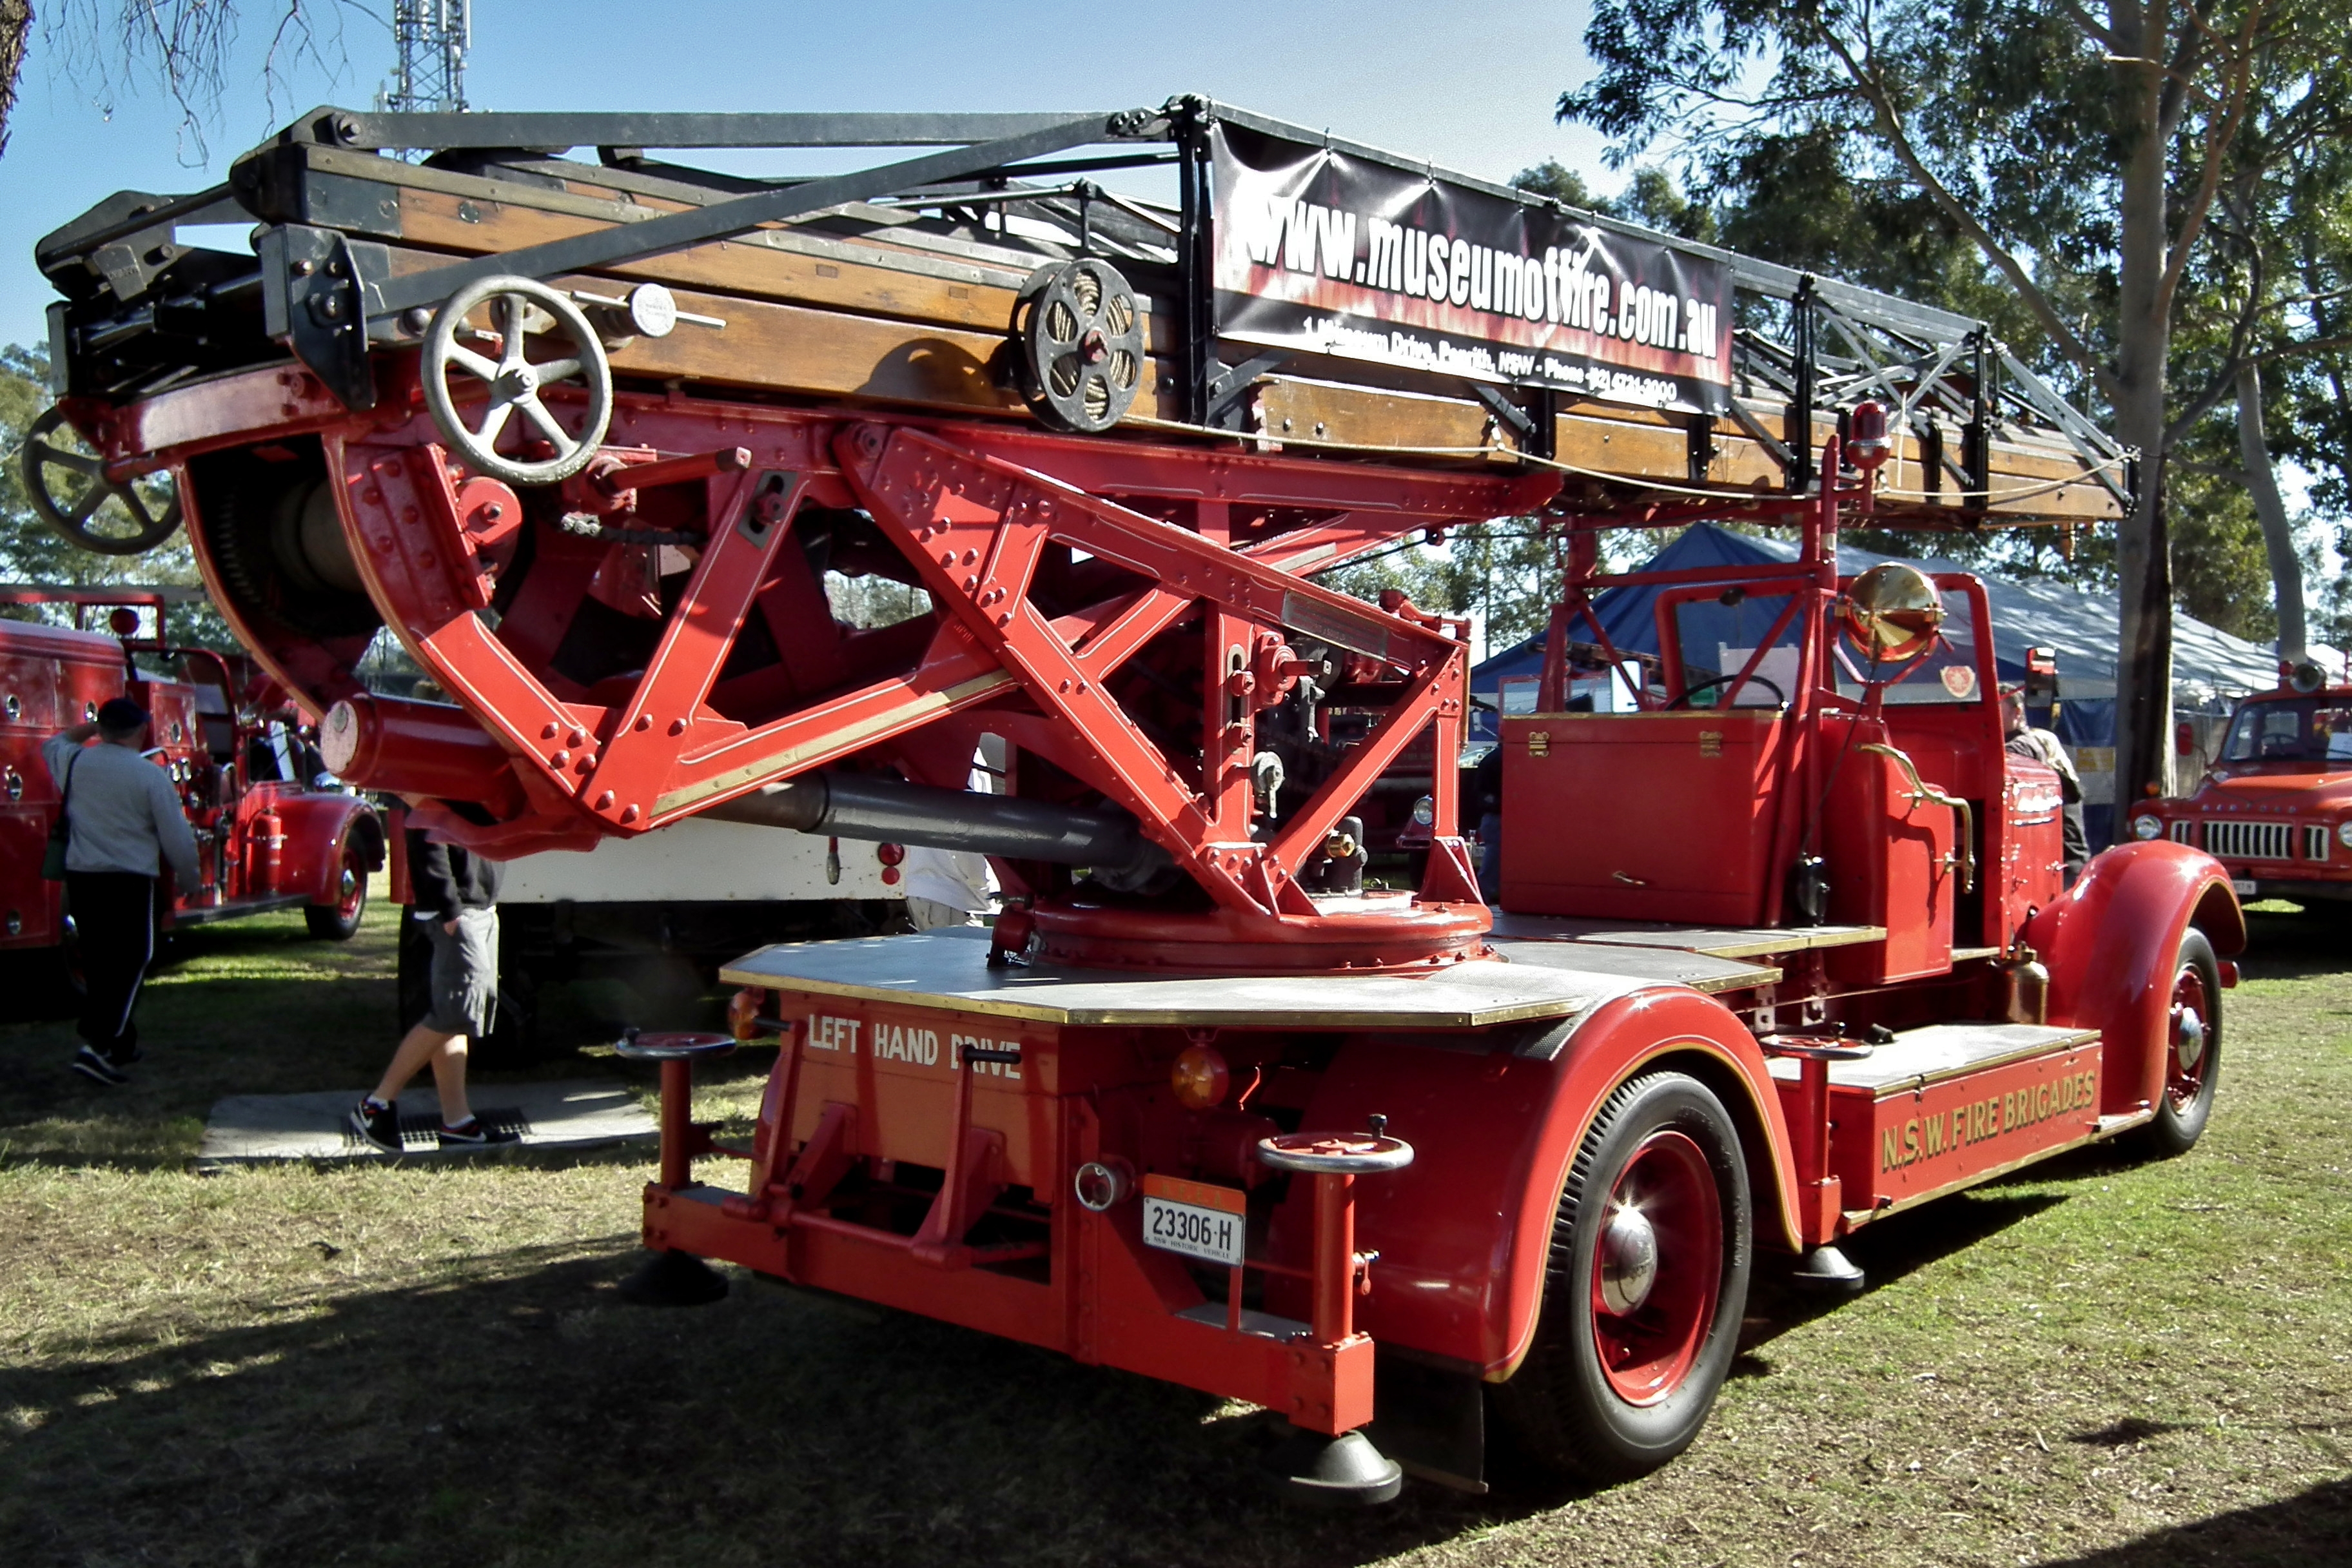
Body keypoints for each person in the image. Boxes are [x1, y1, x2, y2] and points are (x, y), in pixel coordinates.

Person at [44, 698, 204, 1086]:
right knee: (134, 958)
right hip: (130, 879)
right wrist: (190, 876)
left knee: (100, 962)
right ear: (140, 731)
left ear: (104, 730)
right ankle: (98, 1046)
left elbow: (53, 744)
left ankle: (121, 1044)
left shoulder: (76, 763)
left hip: (83, 876)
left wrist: (92, 729)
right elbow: (176, 836)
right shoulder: (149, 775)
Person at [348, 828, 519, 1150]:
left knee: (455, 1017)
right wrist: (450, 909)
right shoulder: (439, 782)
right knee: (453, 1012)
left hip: (478, 905)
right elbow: (427, 835)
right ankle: (375, 1106)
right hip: (458, 912)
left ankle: (458, 1123)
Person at [2001, 683, 2088, 881]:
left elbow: (2008, 757)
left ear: (2017, 712)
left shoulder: (2022, 746)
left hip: (2062, 863)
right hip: (2052, 861)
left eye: (1994, 712)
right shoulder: (2030, 742)